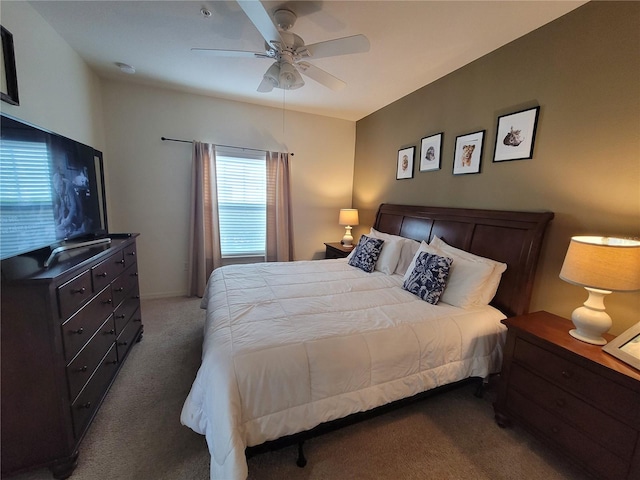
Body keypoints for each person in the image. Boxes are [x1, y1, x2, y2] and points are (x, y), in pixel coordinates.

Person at [53, 172, 84, 238]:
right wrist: (61, 219)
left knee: (78, 227)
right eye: (56, 190)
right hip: (69, 209)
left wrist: (67, 220)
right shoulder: (58, 188)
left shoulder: (68, 185)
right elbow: (63, 206)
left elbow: (73, 206)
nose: (58, 191)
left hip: (77, 209)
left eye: (58, 189)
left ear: (61, 185)